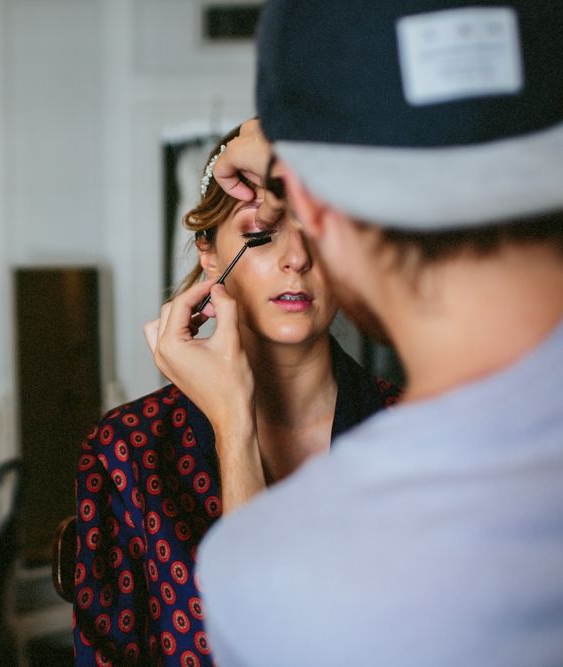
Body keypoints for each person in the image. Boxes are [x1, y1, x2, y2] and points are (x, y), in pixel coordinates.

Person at [148, 1, 563, 665]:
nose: (292, 257)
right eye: (259, 234)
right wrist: (488, 149)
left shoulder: (265, 571)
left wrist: (233, 425)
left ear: (307, 201)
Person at [72, 124, 400, 666]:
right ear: (208, 252)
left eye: (320, 233)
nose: (297, 259)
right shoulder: (126, 451)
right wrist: (233, 426)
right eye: (261, 235)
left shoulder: (420, 427)